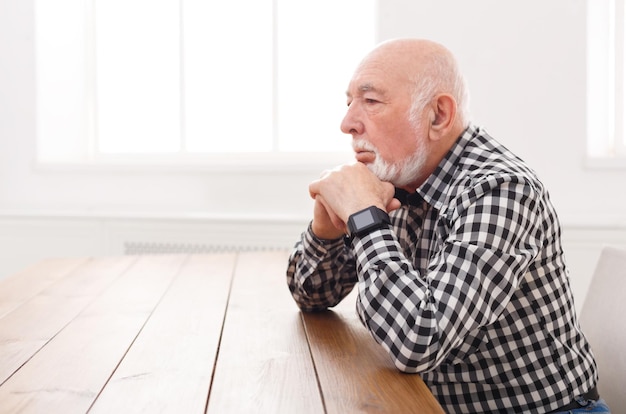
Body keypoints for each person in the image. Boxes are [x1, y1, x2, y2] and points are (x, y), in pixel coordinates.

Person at [285, 38, 609, 413]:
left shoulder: (501, 189)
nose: (347, 123)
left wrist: (363, 216)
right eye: (349, 103)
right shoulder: (399, 177)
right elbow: (309, 295)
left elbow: (421, 339)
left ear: (438, 115)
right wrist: (326, 231)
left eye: (371, 102)